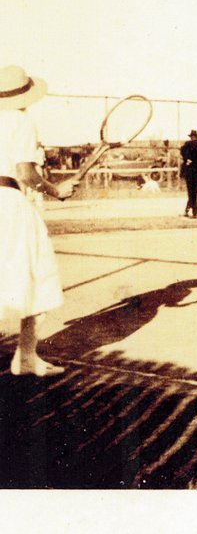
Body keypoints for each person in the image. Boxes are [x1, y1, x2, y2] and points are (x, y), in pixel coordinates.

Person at [0, 64, 79, 376]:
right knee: (37, 274)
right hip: (8, 203)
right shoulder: (21, 121)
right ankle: (27, 357)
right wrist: (56, 190)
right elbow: (25, 174)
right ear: (25, 95)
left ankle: (27, 358)